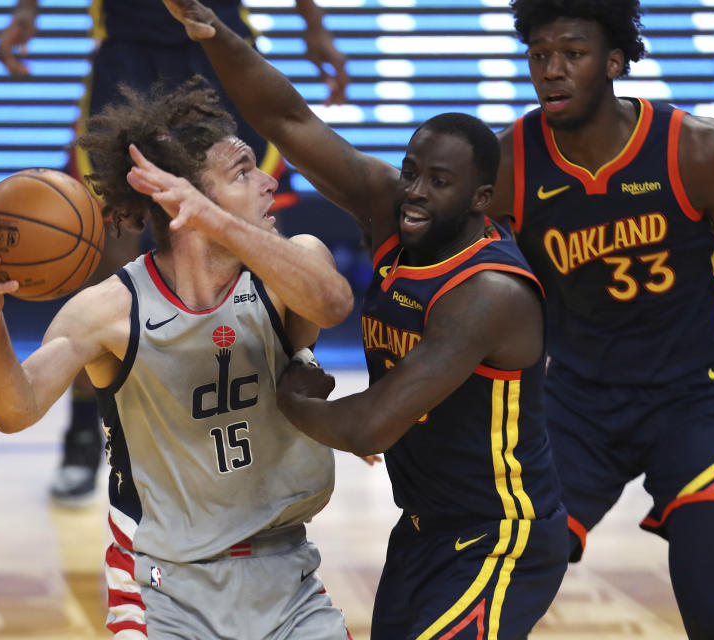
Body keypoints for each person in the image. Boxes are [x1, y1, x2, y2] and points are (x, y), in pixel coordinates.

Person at [157, 2, 571, 638]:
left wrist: (290, 393)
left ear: (480, 200)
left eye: (439, 182)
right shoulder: (392, 209)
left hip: (500, 536)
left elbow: (369, 425)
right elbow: (287, 120)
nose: (416, 192)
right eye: (411, 173)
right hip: (424, 523)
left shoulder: (490, 291)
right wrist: (213, 33)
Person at [0, 78, 355, 638]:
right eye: (243, 172)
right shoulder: (105, 314)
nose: (270, 182)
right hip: (164, 589)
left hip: (287, 570)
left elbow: (333, 303)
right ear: (182, 201)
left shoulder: (291, 269)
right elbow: (13, 409)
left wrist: (216, 219)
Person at [485, 1, 714, 637]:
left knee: (708, 602)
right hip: (578, 403)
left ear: (613, 63)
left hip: (696, 398)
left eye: (571, 54)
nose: (551, 70)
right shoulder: (509, 162)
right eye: (540, 55)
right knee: (512, 583)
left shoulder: (697, 149)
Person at [0, 0, 350, 506]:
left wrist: (315, 27)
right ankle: (81, 438)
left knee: (258, 236)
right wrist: (26, 13)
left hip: (216, 40)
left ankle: (288, 407)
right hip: (127, 52)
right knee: (109, 251)